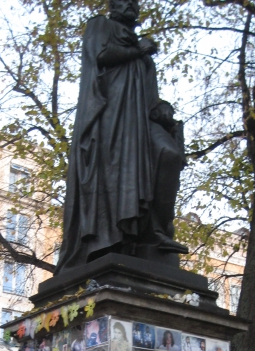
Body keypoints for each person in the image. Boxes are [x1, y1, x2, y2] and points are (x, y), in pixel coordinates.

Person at [55, 0, 187, 274]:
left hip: (141, 121)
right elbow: (100, 55)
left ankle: (156, 231)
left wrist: (163, 108)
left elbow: (150, 97)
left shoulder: (143, 54)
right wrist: (138, 50)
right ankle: (117, 237)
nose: (129, 6)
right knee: (115, 175)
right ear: (113, 5)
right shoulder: (100, 26)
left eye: (133, 3)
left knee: (169, 154)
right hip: (111, 119)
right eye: (122, 2)